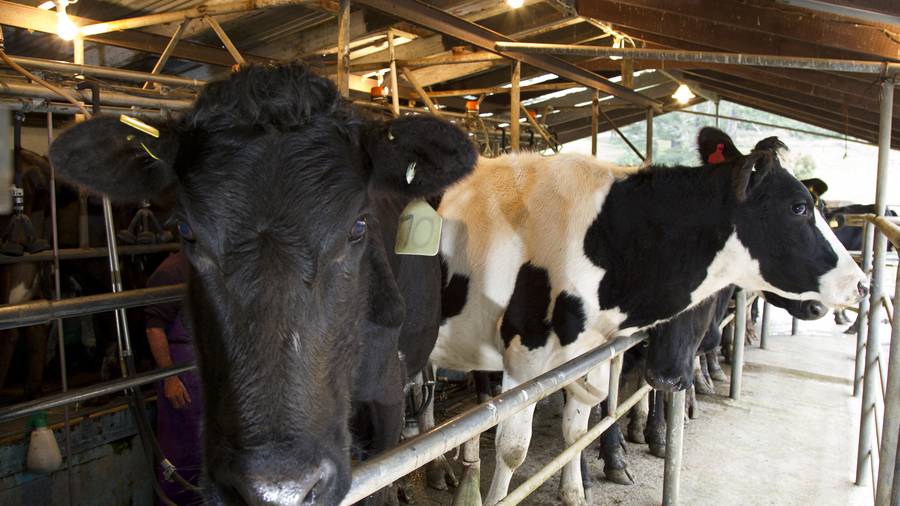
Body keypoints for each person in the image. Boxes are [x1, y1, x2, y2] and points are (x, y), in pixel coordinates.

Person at [145, 251, 201, 505]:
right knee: (182, 449)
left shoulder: (210, 264)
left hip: (206, 367)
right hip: (182, 373)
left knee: (208, 448)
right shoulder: (171, 271)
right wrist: (169, 376)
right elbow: (153, 327)